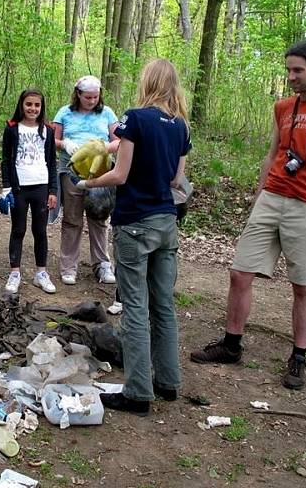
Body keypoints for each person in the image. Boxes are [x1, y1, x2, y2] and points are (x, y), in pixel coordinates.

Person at [190, 40, 306, 390]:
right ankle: (231, 344)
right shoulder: (282, 107)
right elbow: (272, 153)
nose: (291, 76)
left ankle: (298, 357)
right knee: (239, 273)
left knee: (303, 285)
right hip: (273, 197)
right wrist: (259, 195)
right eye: (288, 70)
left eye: (298, 70)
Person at [74, 59, 191, 416]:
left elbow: (120, 175)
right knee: (164, 304)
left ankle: (138, 391)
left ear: (149, 82)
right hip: (166, 222)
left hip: (135, 223)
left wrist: (89, 182)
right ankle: (168, 381)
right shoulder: (181, 127)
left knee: (136, 307)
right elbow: (175, 180)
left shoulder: (135, 118)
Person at [53, 76, 120, 304]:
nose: (92, 101)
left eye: (95, 96)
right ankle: (68, 266)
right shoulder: (64, 112)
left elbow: (119, 141)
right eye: (87, 97)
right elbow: (53, 139)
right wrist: (65, 144)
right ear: (78, 94)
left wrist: (101, 148)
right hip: (71, 169)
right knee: (72, 218)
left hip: (101, 171)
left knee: (99, 217)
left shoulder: (108, 113)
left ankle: (102, 265)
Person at [0, 90, 59, 294]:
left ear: (41, 108)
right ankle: (15, 272)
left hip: (41, 186)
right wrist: (6, 188)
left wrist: (53, 190)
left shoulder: (48, 130)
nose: (32, 108)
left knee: (40, 231)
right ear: (21, 105)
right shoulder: (12, 128)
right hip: (19, 188)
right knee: (18, 229)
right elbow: (6, 160)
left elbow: (52, 162)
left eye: (37, 105)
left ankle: (41, 273)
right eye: (29, 104)